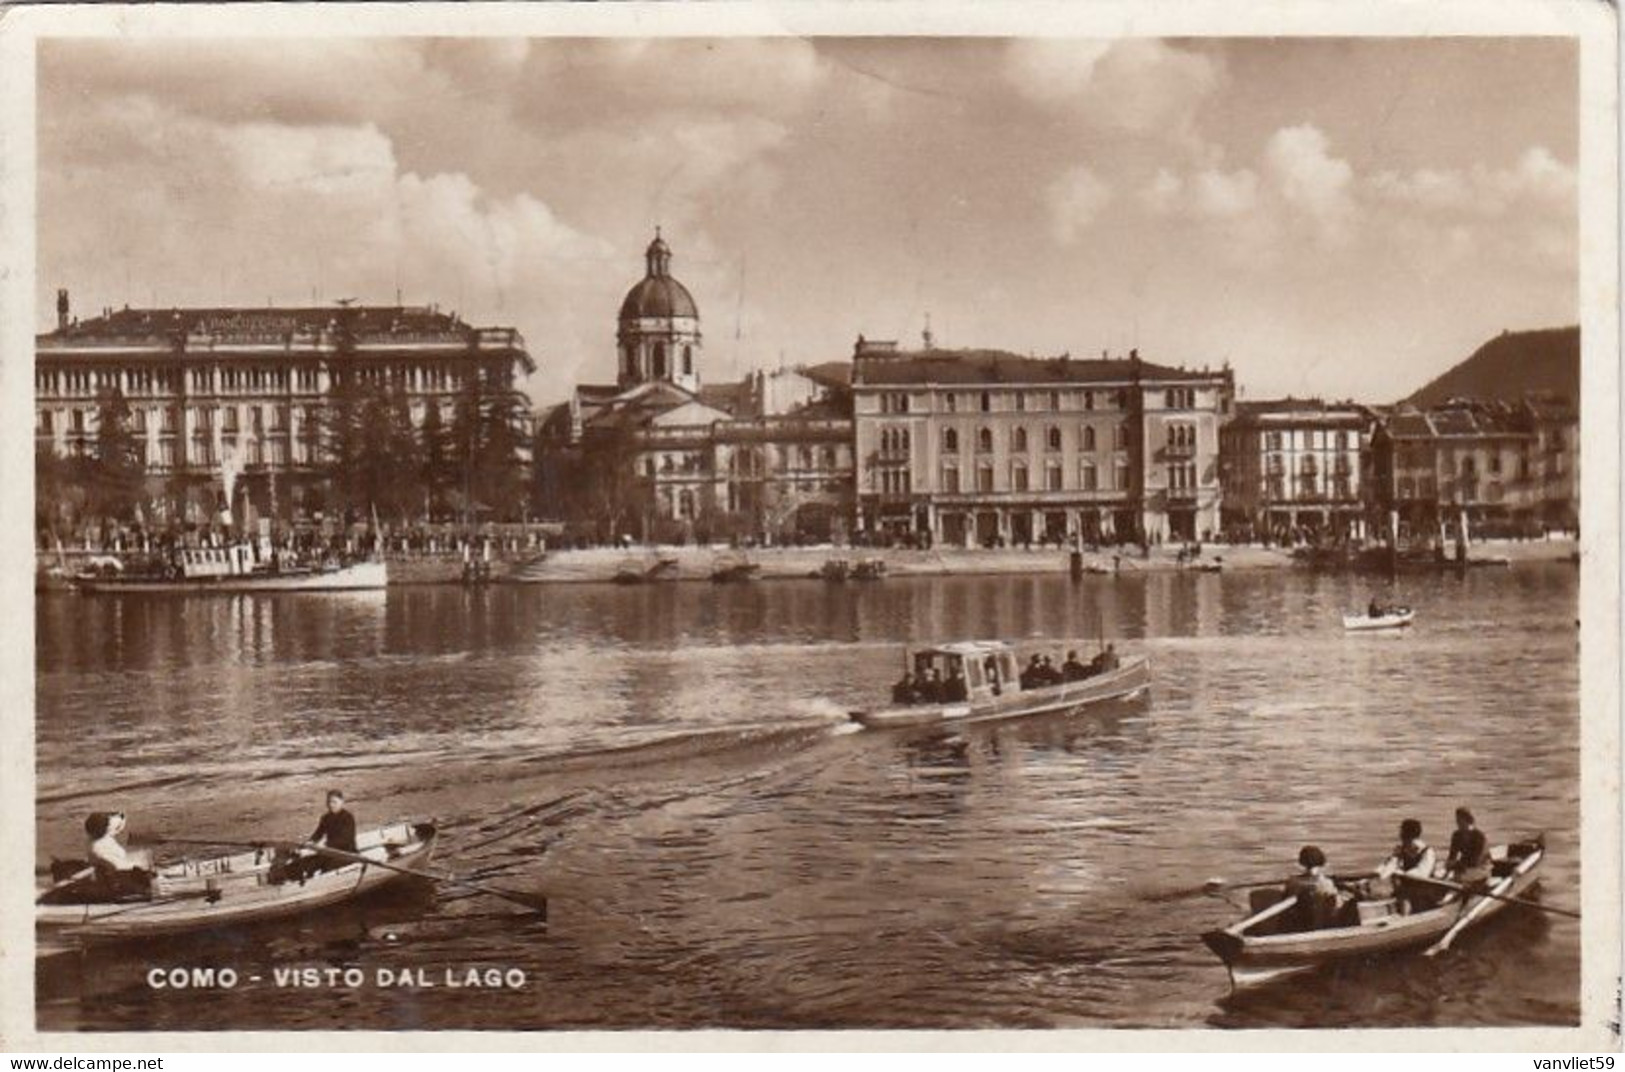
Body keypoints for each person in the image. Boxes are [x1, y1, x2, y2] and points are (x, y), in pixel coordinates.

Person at [1375, 818, 1438, 913]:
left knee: (1405, 896)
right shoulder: (1401, 849)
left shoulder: (1427, 852)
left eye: (1401, 832)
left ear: (1408, 835)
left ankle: (1404, 919)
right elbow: (1390, 864)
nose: (1399, 835)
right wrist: (1378, 874)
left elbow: (1422, 873)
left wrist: (1402, 873)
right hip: (1405, 891)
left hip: (1424, 893)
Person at [84, 811, 151, 899]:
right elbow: (117, 867)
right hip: (118, 882)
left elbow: (121, 819)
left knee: (145, 855)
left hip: (121, 870)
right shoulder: (97, 849)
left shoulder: (99, 836)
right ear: (106, 828)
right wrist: (139, 865)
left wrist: (120, 816)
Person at [1283, 845, 1346, 930]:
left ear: (1302, 862)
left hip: (1298, 924)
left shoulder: (1293, 882)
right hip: (1321, 924)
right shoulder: (1326, 883)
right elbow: (1337, 907)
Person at [1445, 807, 1491, 886]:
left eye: (1460, 820)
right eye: (1457, 820)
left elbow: (1476, 860)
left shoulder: (1479, 836)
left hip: (1481, 867)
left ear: (1468, 820)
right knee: (1455, 874)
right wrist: (1449, 864)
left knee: (1461, 876)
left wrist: (1457, 865)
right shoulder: (1456, 835)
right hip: (1464, 867)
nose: (1457, 823)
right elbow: (1452, 855)